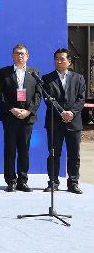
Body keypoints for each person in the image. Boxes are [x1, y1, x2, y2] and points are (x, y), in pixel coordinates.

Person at [0, 44, 41, 192]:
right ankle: (11, 181)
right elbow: (0, 93)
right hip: (10, 116)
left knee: (24, 150)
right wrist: (12, 109)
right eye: (16, 53)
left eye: (22, 53)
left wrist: (28, 111)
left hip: (27, 118)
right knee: (10, 149)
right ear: (12, 56)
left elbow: (38, 95)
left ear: (27, 56)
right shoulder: (4, 72)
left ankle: (23, 180)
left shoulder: (35, 73)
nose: (19, 56)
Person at [41, 48, 86, 194]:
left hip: (74, 122)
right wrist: (62, 113)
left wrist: (71, 113)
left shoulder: (78, 78)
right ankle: (53, 182)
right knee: (54, 153)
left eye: (62, 59)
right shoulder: (47, 79)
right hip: (55, 122)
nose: (59, 62)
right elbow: (48, 100)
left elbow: (81, 99)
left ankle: (73, 182)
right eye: (56, 59)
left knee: (74, 154)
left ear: (69, 61)